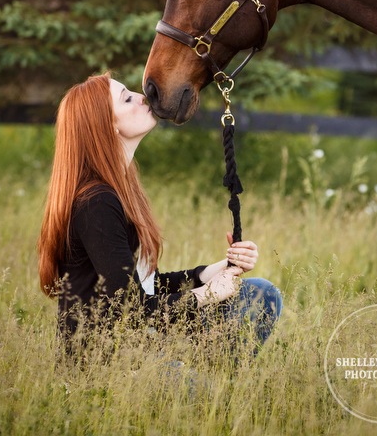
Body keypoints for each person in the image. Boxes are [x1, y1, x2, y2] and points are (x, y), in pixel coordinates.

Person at [38, 72, 282, 355]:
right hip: (110, 362)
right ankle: (209, 390)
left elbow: (146, 286)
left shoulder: (121, 189)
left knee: (260, 293)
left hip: (145, 340)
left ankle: (220, 387)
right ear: (106, 126)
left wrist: (219, 269)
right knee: (196, 392)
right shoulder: (96, 203)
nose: (143, 97)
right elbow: (132, 310)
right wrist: (209, 294)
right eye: (126, 98)